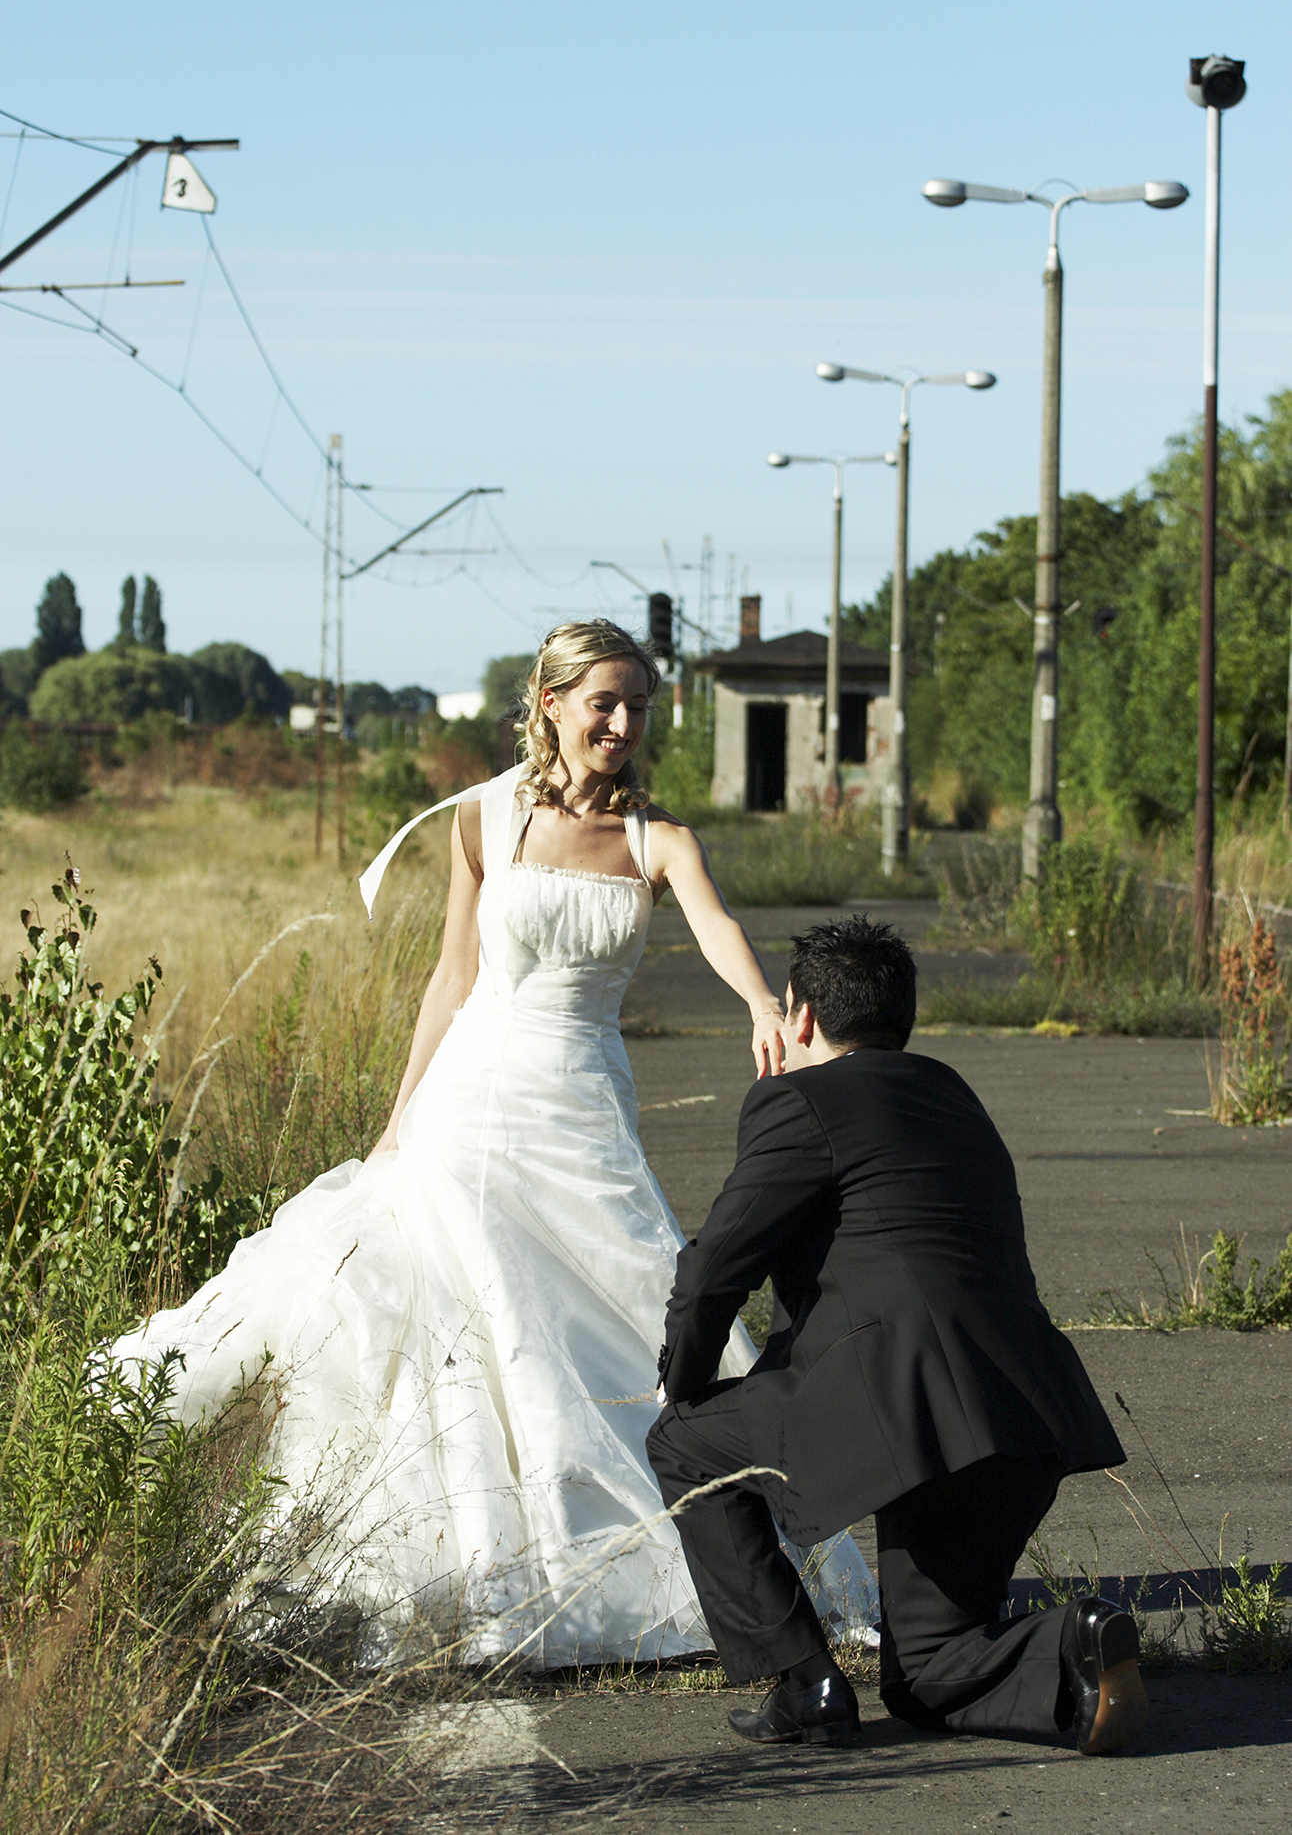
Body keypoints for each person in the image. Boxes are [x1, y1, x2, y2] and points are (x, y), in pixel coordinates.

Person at [112, 620, 877, 1667]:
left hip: (580, 1101)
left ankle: (695, 1553)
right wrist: (400, 1114)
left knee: (628, 1301)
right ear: (551, 704)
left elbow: (714, 924)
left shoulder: (658, 837)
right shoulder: (480, 817)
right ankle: (477, 1555)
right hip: (470, 1098)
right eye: (604, 702)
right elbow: (451, 975)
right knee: (467, 1313)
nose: (622, 723)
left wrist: (758, 1002)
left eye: (637, 706)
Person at [648, 915, 1149, 1755]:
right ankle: (1077, 1643)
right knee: (928, 1671)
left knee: (683, 1445)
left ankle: (803, 1683)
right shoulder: (953, 1095)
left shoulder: (797, 1100)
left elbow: (711, 1273)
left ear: (802, 1017)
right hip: (1023, 1415)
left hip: (905, 1407)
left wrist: (685, 1384)